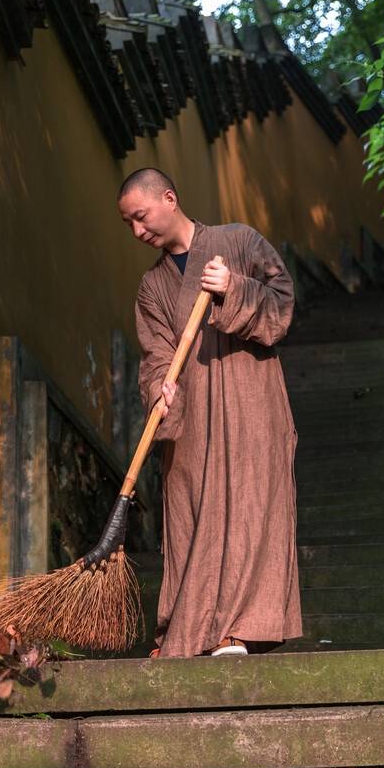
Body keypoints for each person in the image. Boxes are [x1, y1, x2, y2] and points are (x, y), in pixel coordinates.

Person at [118, 167, 302, 658]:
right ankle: (188, 629)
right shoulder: (151, 287)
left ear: (169, 199)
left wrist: (235, 287)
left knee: (250, 506)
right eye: (129, 225)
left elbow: (282, 307)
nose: (138, 232)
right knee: (188, 513)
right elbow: (156, 353)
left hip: (250, 404)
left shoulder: (237, 241)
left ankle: (239, 629)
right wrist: (160, 388)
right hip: (193, 417)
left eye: (141, 217)